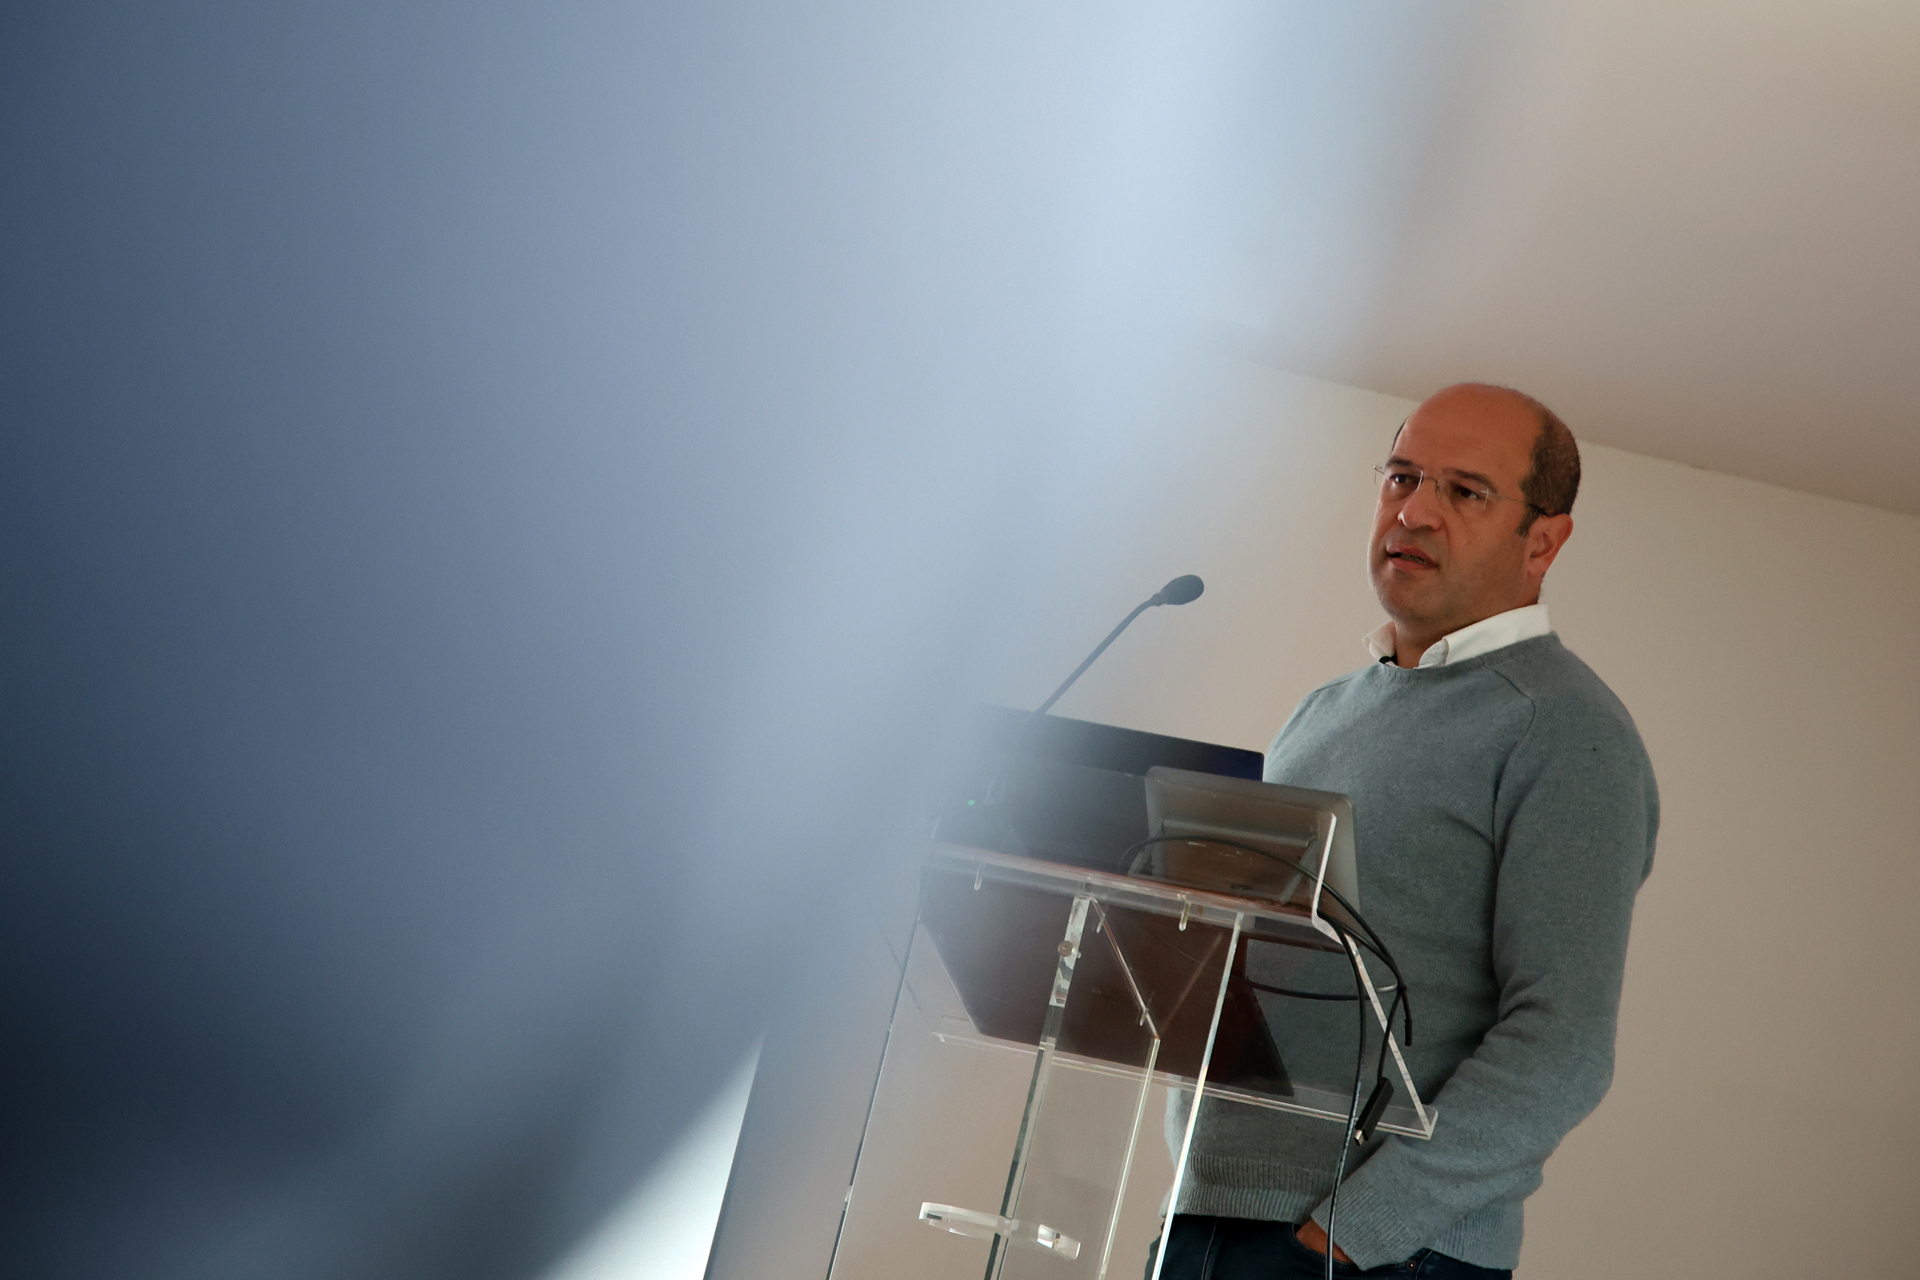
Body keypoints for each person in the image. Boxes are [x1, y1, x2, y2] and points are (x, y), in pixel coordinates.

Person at [1155, 384, 1659, 1278]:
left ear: (1542, 541)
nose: (1415, 511)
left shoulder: (1567, 731)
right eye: (1401, 477)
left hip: (1378, 1254)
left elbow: (1563, 1044)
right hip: (1209, 1216)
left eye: (1464, 491)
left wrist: (1352, 1231)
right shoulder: (1322, 712)